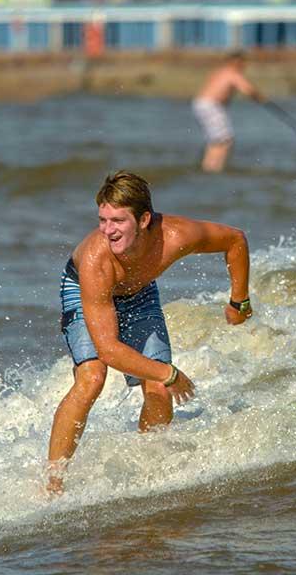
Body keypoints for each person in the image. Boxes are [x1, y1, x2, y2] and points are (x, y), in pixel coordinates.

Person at [47, 170, 253, 495]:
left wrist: (239, 301)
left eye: (118, 221)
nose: (108, 230)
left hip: (140, 292)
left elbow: (235, 240)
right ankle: (53, 483)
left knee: (156, 388)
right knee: (92, 378)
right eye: (102, 220)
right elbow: (109, 350)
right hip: (86, 289)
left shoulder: (176, 235)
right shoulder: (94, 259)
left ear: (144, 220)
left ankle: (146, 476)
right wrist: (170, 372)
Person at [192, 50, 264, 173]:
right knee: (225, 139)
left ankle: (208, 168)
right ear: (236, 62)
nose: (245, 66)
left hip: (201, 104)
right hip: (211, 105)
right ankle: (214, 169)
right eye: (243, 63)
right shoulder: (233, 73)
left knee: (216, 139)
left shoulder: (220, 71)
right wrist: (261, 98)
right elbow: (248, 90)